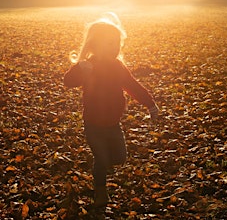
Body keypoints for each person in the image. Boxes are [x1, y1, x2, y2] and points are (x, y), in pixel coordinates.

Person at [63, 12, 159, 208]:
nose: (114, 48)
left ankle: (103, 168)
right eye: (109, 44)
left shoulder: (118, 67)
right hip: (93, 125)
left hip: (114, 124)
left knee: (119, 158)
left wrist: (150, 104)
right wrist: (80, 69)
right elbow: (68, 82)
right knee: (102, 159)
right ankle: (100, 191)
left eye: (117, 44)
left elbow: (133, 86)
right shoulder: (88, 66)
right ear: (94, 45)